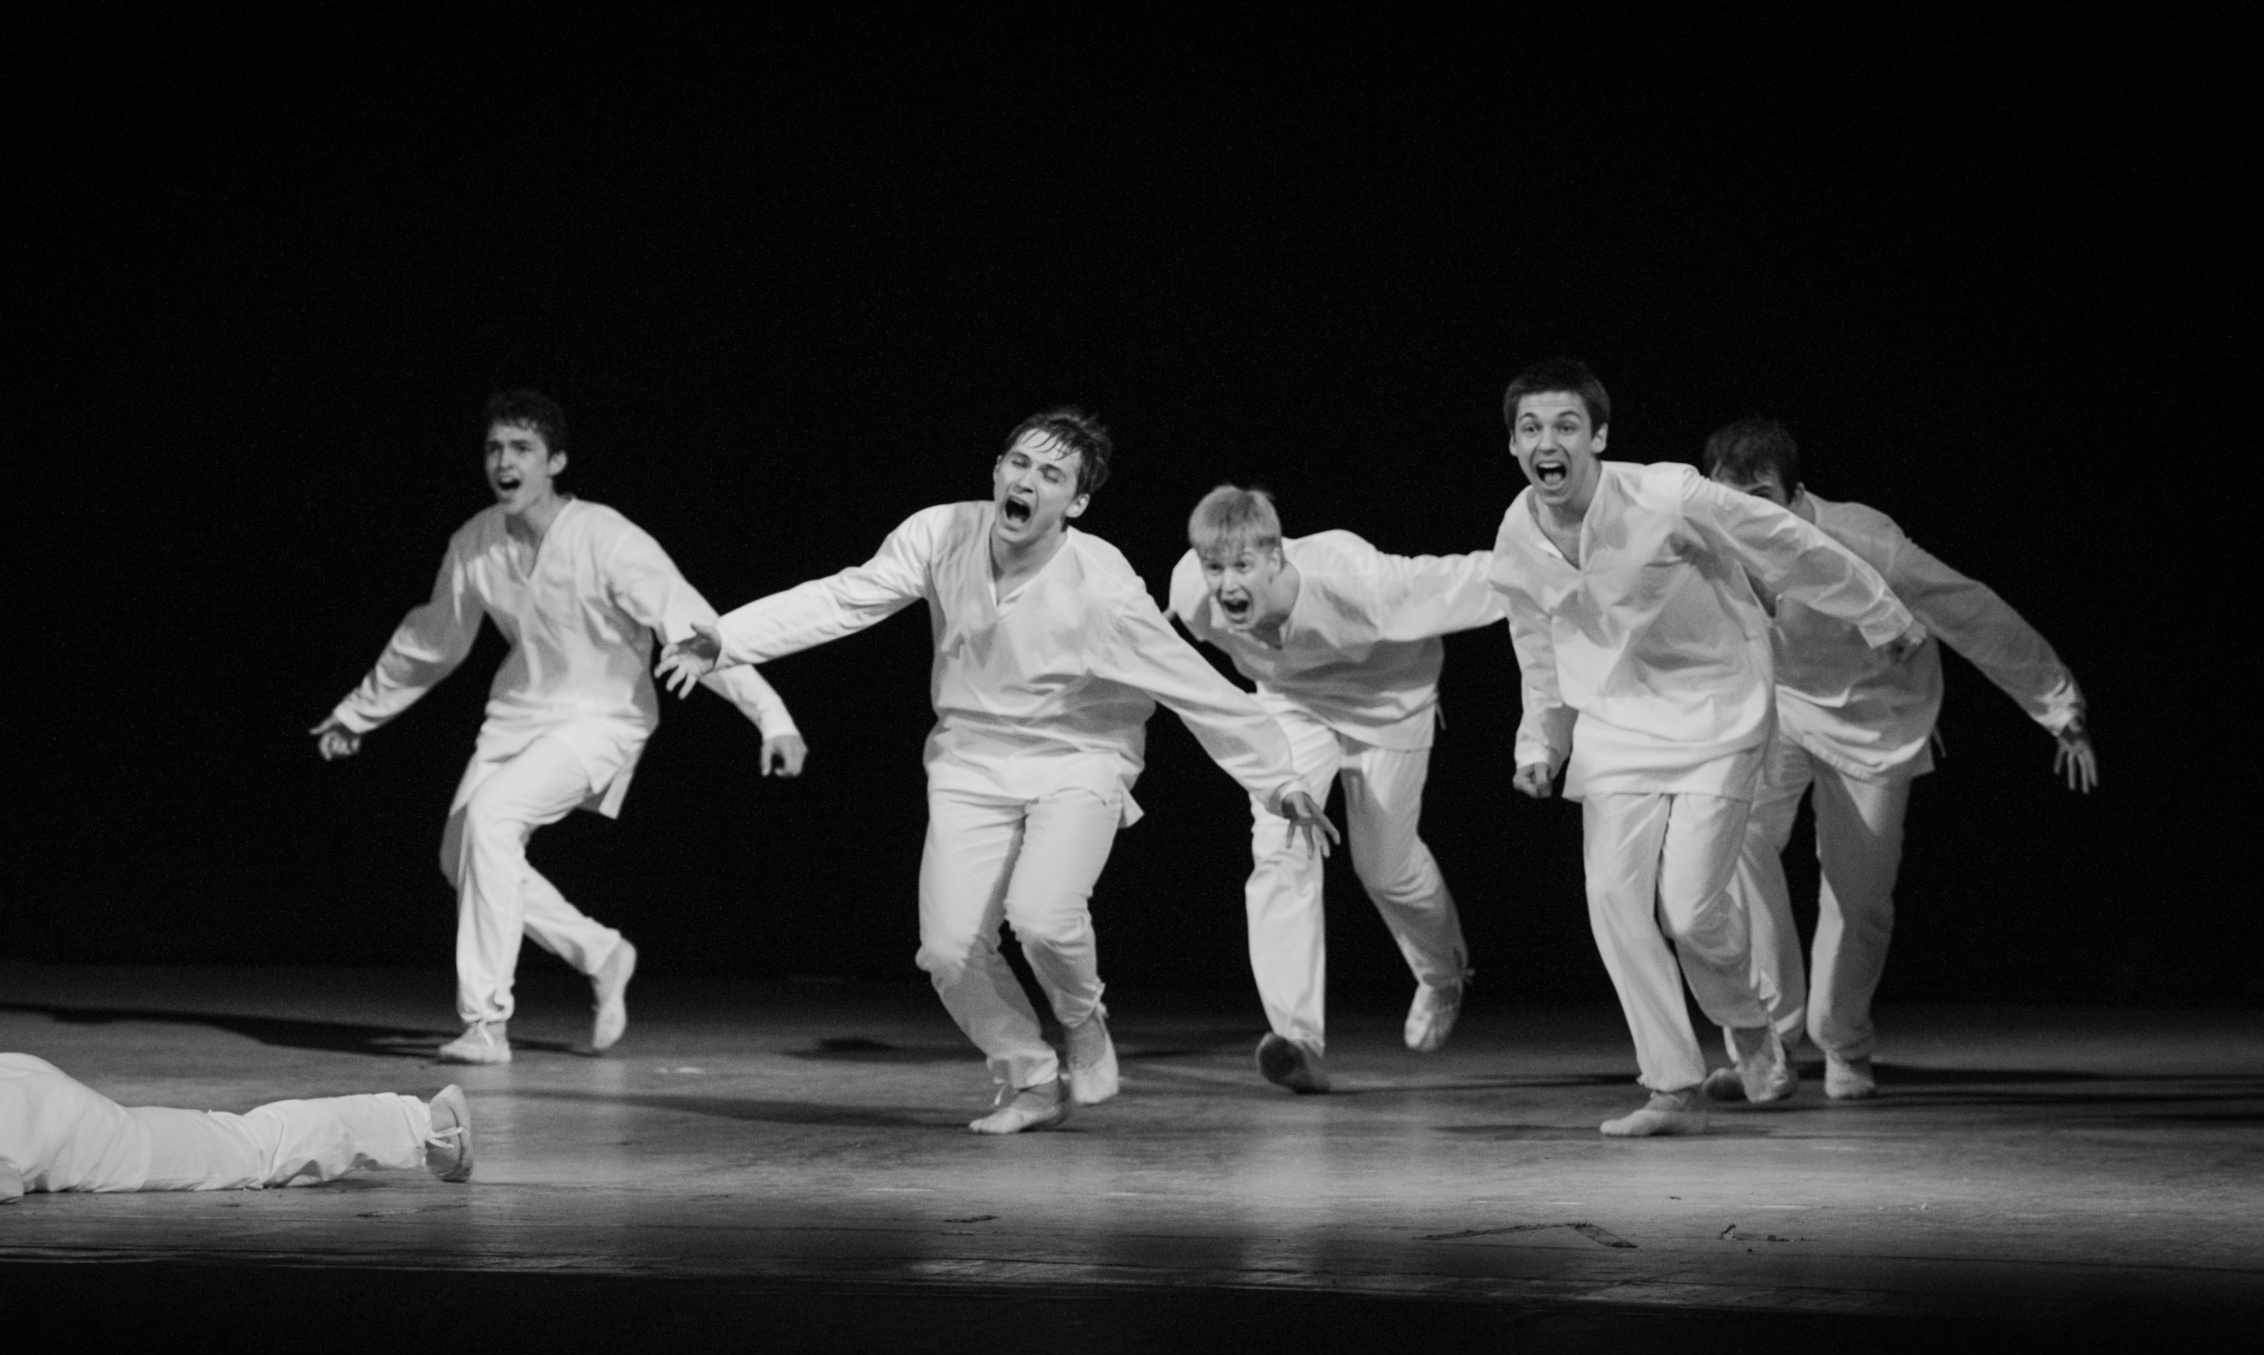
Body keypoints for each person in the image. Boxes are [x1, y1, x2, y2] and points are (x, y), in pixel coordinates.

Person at [659, 408, 1336, 1135]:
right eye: (1019, 462)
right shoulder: (940, 533)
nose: (1027, 481)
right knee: (949, 950)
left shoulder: (1102, 585)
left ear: (1074, 502)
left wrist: (1279, 778)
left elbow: (1194, 687)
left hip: (1080, 756)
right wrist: (727, 637)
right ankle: (1033, 1076)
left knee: (1043, 915)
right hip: (970, 759)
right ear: (997, 470)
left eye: (1051, 474)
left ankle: (1083, 1020)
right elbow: (845, 595)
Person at [1491, 361, 1922, 1137]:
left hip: (1719, 710)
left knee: (1690, 909)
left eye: (1564, 425)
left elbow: (1787, 541)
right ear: (1513, 444)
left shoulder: (1666, 494)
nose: (1546, 442)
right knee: (1615, 900)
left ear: (1598, 436)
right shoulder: (1517, 535)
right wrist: (1541, 742)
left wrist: (1879, 611)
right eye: (1530, 428)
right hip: (1618, 719)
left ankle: (1750, 1027)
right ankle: (1671, 1087)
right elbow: (1537, 644)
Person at [314, 390, 807, 1064]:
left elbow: (691, 625)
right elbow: (433, 638)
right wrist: (356, 711)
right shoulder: (476, 542)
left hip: (603, 717)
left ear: (556, 461)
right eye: (494, 449)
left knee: (492, 819)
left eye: (520, 449)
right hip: (518, 712)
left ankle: (484, 1024)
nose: (503, 462)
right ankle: (602, 953)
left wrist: (770, 714)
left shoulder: (608, 539)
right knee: (462, 855)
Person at [1702, 417, 2096, 1101]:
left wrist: (2058, 703)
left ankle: (1843, 1039)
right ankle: (1768, 1038)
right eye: (1727, 496)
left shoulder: (1863, 539)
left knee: (1861, 898)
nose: (1742, 513)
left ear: (1795, 496)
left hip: (1874, 722)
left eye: (1760, 495)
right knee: (1729, 845)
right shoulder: (1708, 539)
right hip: (1778, 709)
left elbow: (1970, 610)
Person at [1166, 485, 1503, 1093]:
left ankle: (1443, 975)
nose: (1225, 582)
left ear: (1276, 558)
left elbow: (1482, 578)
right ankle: (1298, 1041)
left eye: (1242, 566)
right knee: (1278, 848)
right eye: (1215, 567)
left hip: (1390, 707)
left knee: (1386, 869)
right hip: (1294, 707)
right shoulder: (1192, 593)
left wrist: (1572, 559)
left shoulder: (1356, 578)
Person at [0, 1052, 472, 1208]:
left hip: (48, 1128)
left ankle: (426, 1122)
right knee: (229, 1138)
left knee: (240, 1150)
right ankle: (419, 1121)